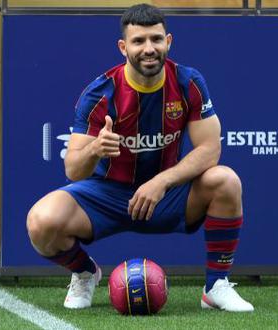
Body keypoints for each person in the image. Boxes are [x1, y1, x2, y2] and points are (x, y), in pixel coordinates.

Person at [27, 3, 254, 313]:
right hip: (107, 195)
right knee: (41, 221)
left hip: (167, 194)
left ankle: (215, 286)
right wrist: (95, 149)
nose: (149, 49)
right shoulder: (99, 94)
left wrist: (162, 181)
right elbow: (74, 170)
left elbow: (210, 149)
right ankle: (84, 273)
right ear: (123, 47)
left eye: (156, 39)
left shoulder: (188, 83)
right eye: (138, 41)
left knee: (226, 181)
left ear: (168, 42)